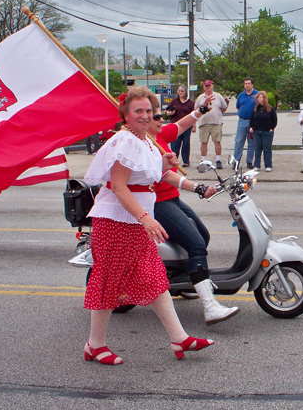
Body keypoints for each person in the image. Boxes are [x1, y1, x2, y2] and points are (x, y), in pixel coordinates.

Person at [83, 87, 214, 365]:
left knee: (155, 279)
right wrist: (146, 217)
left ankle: (179, 338)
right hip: (115, 221)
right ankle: (94, 345)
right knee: (109, 283)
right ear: (126, 115)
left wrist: (176, 172)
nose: (144, 116)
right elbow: (118, 186)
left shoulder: (144, 140)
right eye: (138, 111)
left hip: (133, 221)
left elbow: (161, 175)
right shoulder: (126, 141)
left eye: (148, 111)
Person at [149, 105, 240, 326]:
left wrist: (199, 112)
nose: (162, 119)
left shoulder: (158, 135)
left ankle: (187, 281)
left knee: (203, 236)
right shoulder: (146, 145)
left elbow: (180, 125)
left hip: (171, 199)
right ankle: (210, 307)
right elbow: (166, 176)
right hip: (157, 203)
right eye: (156, 116)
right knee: (196, 244)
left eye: (161, 115)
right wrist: (198, 188)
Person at [194, 80, 227, 170]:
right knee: (204, 142)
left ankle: (218, 160)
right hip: (204, 123)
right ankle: (203, 160)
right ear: (204, 87)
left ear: (212, 86)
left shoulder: (218, 96)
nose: (208, 87)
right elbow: (196, 109)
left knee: (217, 141)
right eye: (206, 86)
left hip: (216, 123)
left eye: (209, 85)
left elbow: (224, 108)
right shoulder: (200, 97)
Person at [165, 85, 195, 167]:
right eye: (179, 91)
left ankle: (186, 161)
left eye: (182, 91)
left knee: (186, 144)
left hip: (187, 126)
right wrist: (169, 113)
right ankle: (175, 160)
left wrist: (194, 125)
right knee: (175, 144)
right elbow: (167, 111)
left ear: (185, 92)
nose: (180, 93)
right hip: (176, 125)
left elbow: (194, 114)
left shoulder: (190, 103)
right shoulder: (175, 101)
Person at [249, 91, 277, 172]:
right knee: (257, 148)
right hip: (257, 131)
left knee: (267, 148)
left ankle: (268, 165)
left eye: (261, 97)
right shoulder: (255, 109)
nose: (259, 99)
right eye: (258, 97)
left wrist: (272, 127)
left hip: (267, 132)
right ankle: (256, 165)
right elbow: (252, 119)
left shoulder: (270, 109)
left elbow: (274, 120)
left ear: (265, 98)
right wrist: (251, 127)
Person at [234, 78, 258, 168]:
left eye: (248, 83)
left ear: (252, 84)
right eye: (245, 84)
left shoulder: (256, 94)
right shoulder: (241, 95)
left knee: (251, 142)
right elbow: (238, 107)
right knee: (239, 141)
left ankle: (249, 161)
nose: (247, 85)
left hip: (253, 121)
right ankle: (236, 161)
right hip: (242, 121)